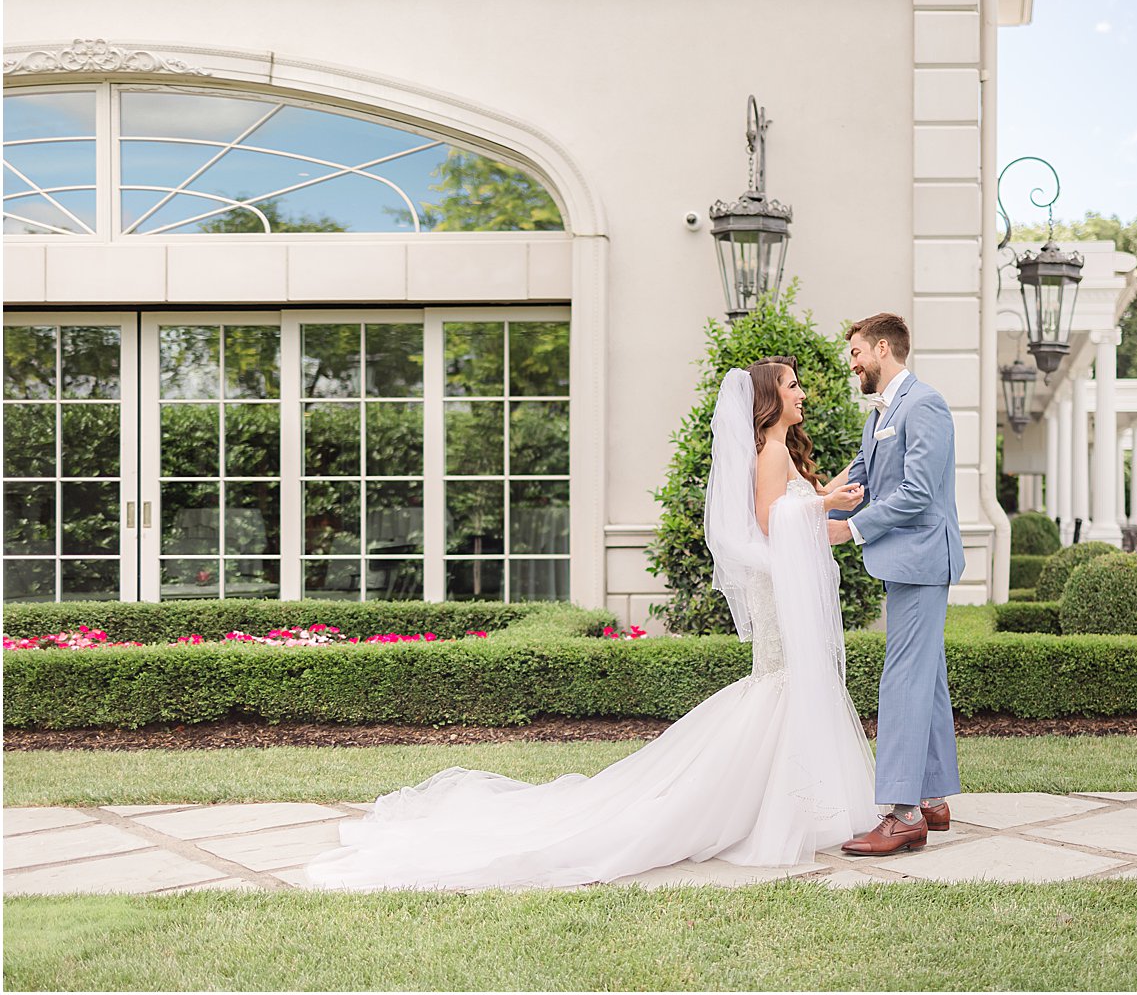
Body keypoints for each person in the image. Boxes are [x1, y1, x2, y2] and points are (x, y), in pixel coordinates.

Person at [304, 358, 875, 890]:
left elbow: (787, 513)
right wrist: (825, 506)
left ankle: (778, 804)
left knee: (783, 686)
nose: (802, 393)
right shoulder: (770, 454)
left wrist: (833, 495)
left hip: (777, 580)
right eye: (793, 385)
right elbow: (769, 520)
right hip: (776, 587)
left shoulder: (777, 451)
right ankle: (757, 809)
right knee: (780, 684)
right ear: (769, 400)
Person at [823, 313, 964, 855]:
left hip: (924, 561)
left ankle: (901, 814)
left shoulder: (924, 404)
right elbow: (860, 472)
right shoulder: (880, 412)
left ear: (883, 349)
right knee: (925, 679)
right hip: (903, 561)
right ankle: (931, 798)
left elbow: (918, 494)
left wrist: (849, 528)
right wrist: (808, 501)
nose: (852, 363)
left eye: (857, 352)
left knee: (902, 680)